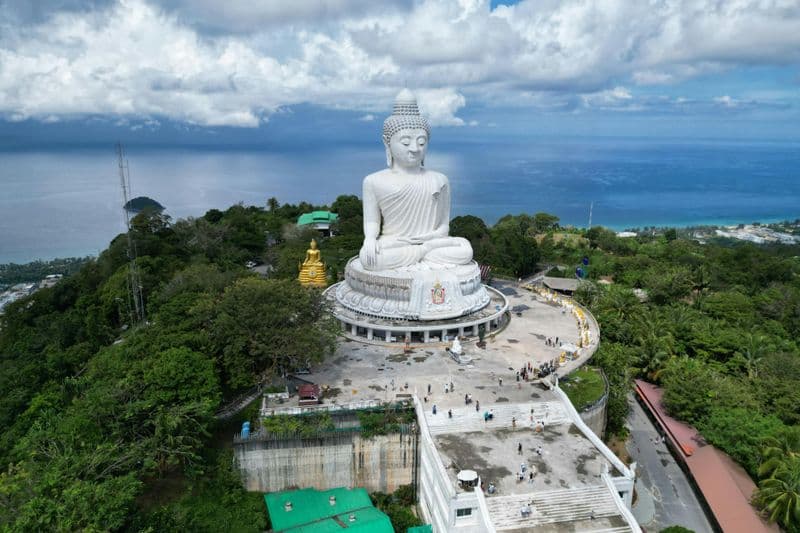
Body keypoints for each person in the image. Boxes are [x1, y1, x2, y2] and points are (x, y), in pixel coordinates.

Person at [358, 90, 473, 271]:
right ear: (387, 142)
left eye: (421, 142)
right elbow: (372, 222)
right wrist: (370, 239)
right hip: (395, 244)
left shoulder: (439, 179)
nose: (414, 149)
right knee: (369, 258)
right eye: (405, 142)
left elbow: (444, 227)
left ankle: (422, 253)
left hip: (431, 242)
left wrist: (428, 240)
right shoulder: (373, 181)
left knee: (465, 249)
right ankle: (423, 256)